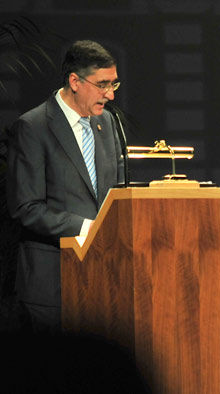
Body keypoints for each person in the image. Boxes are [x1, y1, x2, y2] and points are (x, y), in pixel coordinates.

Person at [6, 40, 124, 334]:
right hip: (53, 285)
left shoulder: (107, 123)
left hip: (102, 282)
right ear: (75, 81)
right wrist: (89, 227)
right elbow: (26, 207)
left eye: (114, 84)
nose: (109, 94)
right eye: (102, 84)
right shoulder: (33, 127)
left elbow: (116, 192)